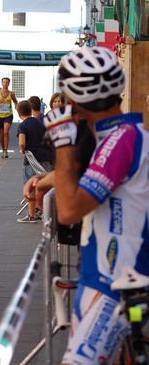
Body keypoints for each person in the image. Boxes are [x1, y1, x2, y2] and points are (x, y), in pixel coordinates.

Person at [43, 47, 149, 364]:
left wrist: (62, 142)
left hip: (114, 282)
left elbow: (70, 210)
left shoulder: (120, 140)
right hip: (105, 276)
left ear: (73, 100)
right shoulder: (123, 136)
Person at [15, 100, 50, 223]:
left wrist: (22, 150)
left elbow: (22, 142)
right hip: (45, 156)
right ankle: (46, 211)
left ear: (19, 113)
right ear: (30, 110)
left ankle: (31, 215)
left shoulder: (22, 126)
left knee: (30, 186)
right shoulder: (40, 122)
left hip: (31, 159)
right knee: (44, 185)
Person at [0, 77, 18, 159]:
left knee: (6, 131)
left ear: (9, 83)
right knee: (1, 135)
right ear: (2, 83)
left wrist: (17, 107)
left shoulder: (11, 94)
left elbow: (15, 101)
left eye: (7, 82)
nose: (5, 83)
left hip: (8, 115)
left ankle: (6, 150)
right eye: (4, 82)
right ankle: (3, 149)